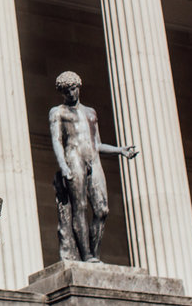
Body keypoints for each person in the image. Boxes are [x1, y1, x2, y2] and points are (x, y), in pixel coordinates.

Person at [49, 71, 138, 262]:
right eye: (67, 91)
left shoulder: (90, 112)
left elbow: (97, 143)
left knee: (102, 210)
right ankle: (87, 255)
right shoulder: (58, 112)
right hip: (74, 157)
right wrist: (64, 166)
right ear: (62, 92)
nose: (71, 93)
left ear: (79, 87)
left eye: (73, 89)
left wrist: (120, 150)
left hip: (93, 159)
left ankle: (94, 253)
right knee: (79, 207)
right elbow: (57, 141)